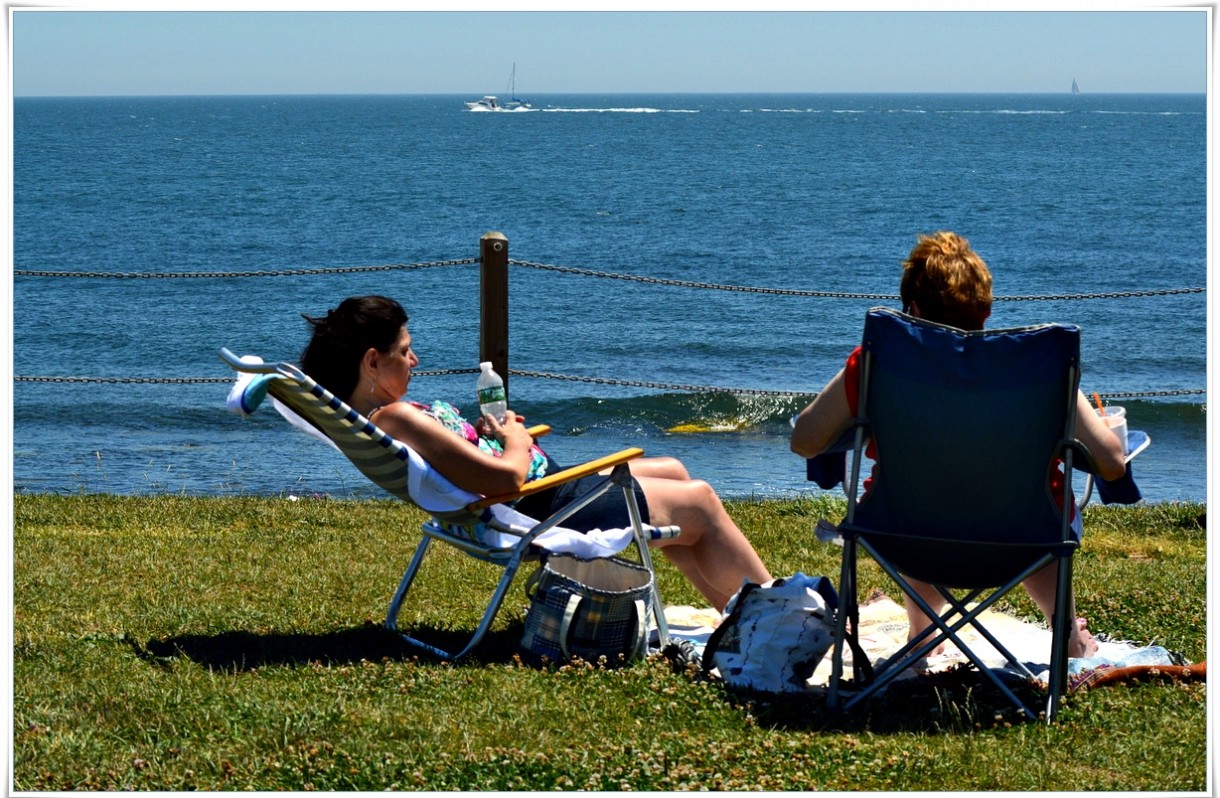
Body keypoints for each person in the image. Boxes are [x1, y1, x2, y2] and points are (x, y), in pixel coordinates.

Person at [301, 294, 772, 611]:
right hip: (543, 508)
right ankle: (780, 616)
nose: (414, 360)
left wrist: (493, 435)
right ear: (371, 361)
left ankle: (735, 614)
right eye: (405, 351)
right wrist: (515, 440)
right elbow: (505, 481)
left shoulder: (385, 418)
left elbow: (469, 468)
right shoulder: (396, 418)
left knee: (673, 469)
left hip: (547, 494)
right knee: (701, 501)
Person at [789, 232, 1126, 658]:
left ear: (911, 308)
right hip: (1024, 540)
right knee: (1045, 505)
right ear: (986, 310)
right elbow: (1112, 465)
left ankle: (923, 635)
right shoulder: (1040, 368)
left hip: (902, 535)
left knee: (919, 495)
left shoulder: (876, 363)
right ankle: (1069, 639)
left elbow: (805, 441)